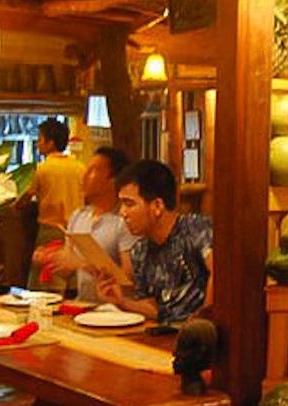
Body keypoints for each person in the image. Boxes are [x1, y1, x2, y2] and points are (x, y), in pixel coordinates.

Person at [96, 159, 213, 322]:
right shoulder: (139, 251)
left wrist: (204, 319)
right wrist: (122, 302)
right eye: (121, 204)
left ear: (157, 206)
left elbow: (219, 272)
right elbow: (155, 309)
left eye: (129, 204)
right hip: (166, 332)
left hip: (201, 334)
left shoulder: (196, 228)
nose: (122, 213)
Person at [32, 147, 136, 301]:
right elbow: (67, 270)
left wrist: (81, 264)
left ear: (112, 180)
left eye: (93, 170)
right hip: (82, 305)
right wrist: (49, 258)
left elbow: (128, 280)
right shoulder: (79, 216)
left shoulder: (124, 221)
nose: (85, 175)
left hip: (115, 310)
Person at [18, 118, 85, 291]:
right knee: (70, 283)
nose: (37, 143)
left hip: (50, 230)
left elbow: (25, 197)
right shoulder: (80, 167)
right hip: (76, 230)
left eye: (40, 139)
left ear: (50, 142)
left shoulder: (43, 168)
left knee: (46, 282)